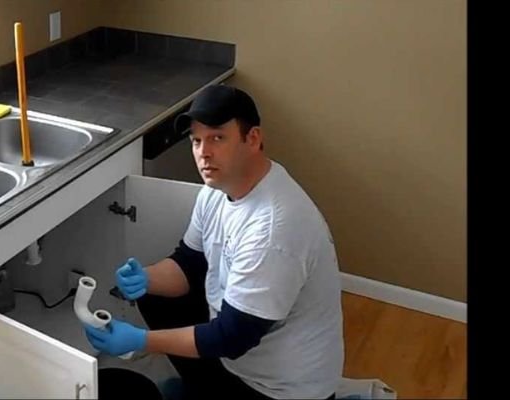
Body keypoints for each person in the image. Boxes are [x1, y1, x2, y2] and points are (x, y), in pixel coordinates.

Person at [82, 85, 344, 399]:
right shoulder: (218, 190)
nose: (203, 152)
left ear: (253, 139)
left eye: (217, 138)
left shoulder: (274, 229)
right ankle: (203, 386)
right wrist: (146, 278)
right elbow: (189, 263)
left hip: (279, 391)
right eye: (196, 140)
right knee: (154, 295)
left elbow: (232, 338)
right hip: (241, 357)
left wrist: (141, 341)